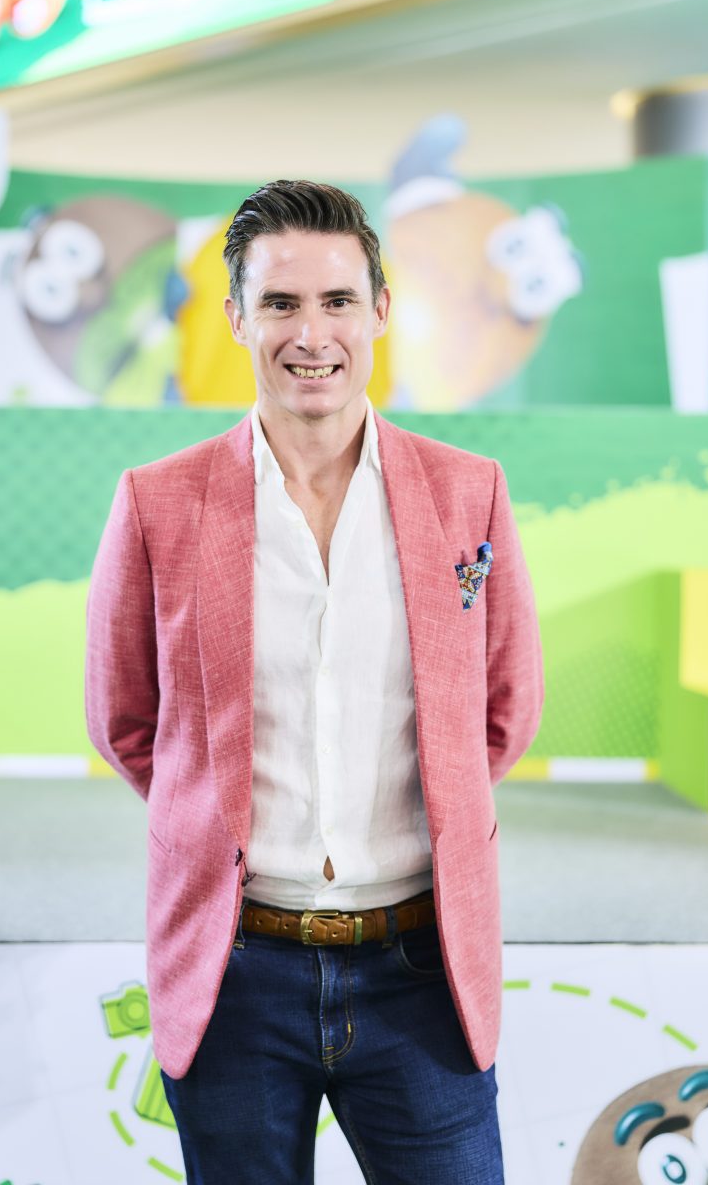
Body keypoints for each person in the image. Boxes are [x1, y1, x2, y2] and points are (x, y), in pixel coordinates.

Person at [85, 179, 544, 1184]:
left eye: (337, 300)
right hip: (232, 969)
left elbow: (502, 709)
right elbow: (125, 722)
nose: (311, 334)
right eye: (281, 303)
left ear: (379, 310)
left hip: (422, 969)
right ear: (235, 317)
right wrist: (210, 814)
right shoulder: (157, 503)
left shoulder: (468, 491)